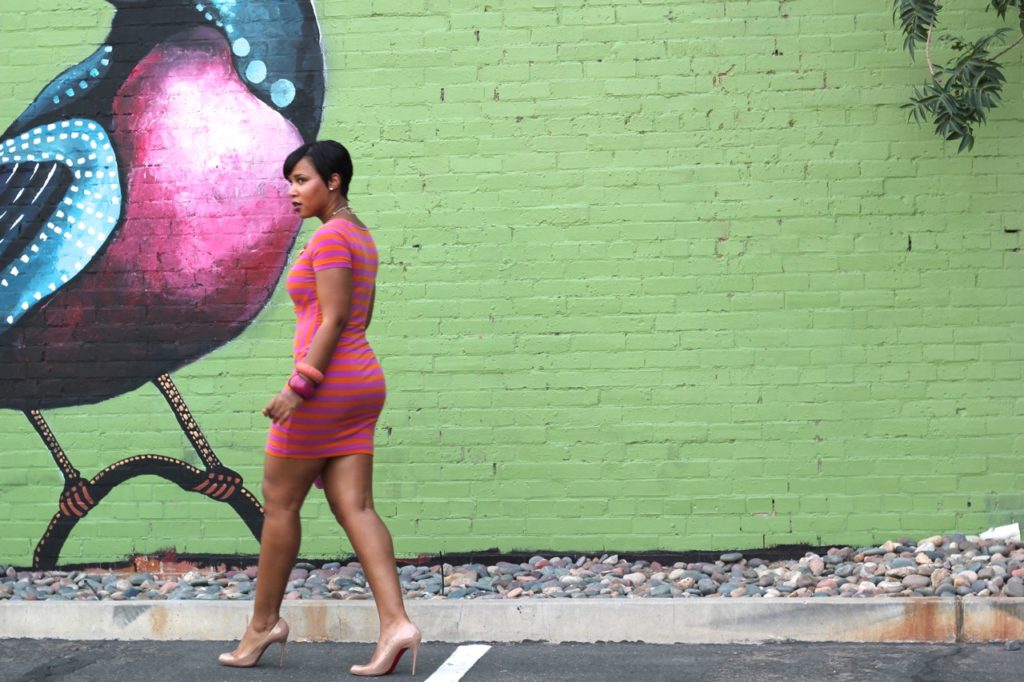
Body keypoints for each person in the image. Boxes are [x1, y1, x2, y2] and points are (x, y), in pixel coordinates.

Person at [218, 140, 421, 676]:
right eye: (290, 181)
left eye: (302, 180)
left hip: (326, 388)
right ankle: (396, 624)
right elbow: (361, 319)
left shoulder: (329, 238)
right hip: (361, 383)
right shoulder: (361, 236)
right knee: (356, 507)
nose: (292, 192)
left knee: (279, 504)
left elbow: (333, 320)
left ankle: (263, 624)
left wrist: (299, 387)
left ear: (333, 181)